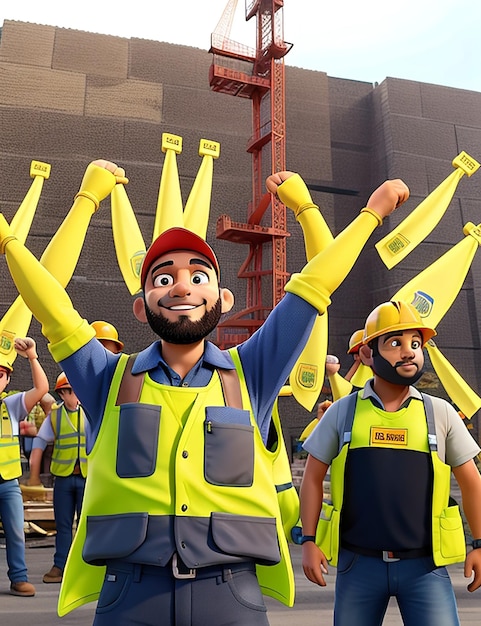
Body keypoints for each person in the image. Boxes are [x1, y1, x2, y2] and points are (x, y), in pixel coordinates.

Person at [0, 159, 408, 625]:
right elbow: (52, 305)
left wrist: (367, 214)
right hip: (130, 594)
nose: (181, 286)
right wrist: (27, 231)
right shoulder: (107, 377)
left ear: (222, 299)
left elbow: (313, 285)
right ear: (141, 306)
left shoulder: (251, 371)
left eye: (198, 276)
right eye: (162, 277)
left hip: (230, 592)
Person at [300, 299, 481, 626]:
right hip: (359, 565)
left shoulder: (439, 413)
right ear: (368, 354)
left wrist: (480, 542)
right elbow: (312, 477)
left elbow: (471, 481)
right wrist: (309, 540)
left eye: (415, 343)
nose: (409, 352)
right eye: (395, 343)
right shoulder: (344, 412)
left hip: (426, 567)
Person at [0, 337, 49, 597]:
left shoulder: (11, 404)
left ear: (7, 379)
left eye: (0, 374)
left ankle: (18, 578)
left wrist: (32, 356)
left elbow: (41, 388)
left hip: (7, 483)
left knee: (16, 531)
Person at [28, 372, 87, 584]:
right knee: (63, 525)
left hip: (86, 478)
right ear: (62, 393)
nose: (76, 395)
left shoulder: (91, 414)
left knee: (85, 525)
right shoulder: (55, 416)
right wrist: (34, 474)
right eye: (71, 391)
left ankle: (83, 567)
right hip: (63, 478)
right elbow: (39, 442)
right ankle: (60, 564)